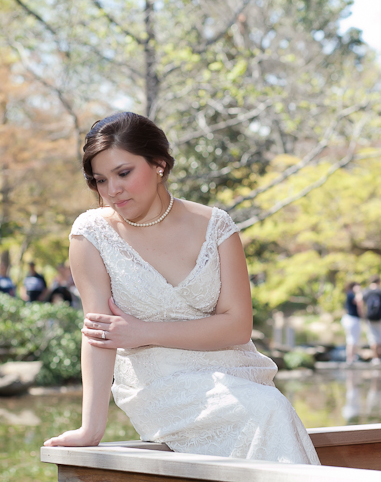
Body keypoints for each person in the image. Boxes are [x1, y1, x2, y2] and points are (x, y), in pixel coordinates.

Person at [44, 112, 319, 464]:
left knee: (270, 409)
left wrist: (143, 331)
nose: (112, 190)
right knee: (269, 411)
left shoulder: (216, 226)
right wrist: (91, 429)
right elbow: (99, 333)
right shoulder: (92, 234)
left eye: (124, 173)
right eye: (100, 179)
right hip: (158, 384)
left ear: (159, 164)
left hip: (237, 372)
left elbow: (237, 326)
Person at [362, 275, 381, 364]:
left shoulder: (366, 292)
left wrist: (363, 316)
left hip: (370, 318)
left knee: (373, 338)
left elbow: (361, 303)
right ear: (379, 282)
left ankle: (376, 358)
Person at [341, 282, 363, 364]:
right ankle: (350, 358)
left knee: (353, 339)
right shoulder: (351, 294)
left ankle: (352, 356)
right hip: (352, 319)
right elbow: (358, 301)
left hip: (353, 319)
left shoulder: (350, 294)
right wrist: (358, 292)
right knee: (352, 340)